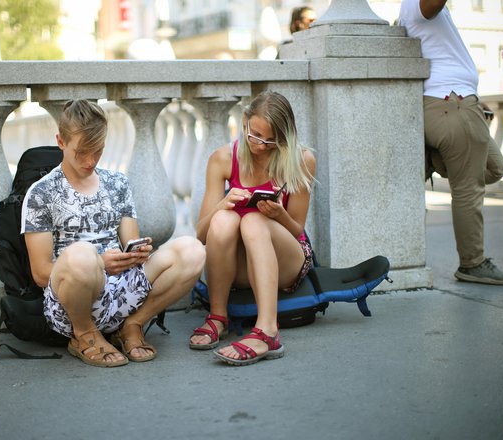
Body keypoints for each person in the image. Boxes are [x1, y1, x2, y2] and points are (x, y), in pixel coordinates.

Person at [22, 99, 206, 367]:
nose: (90, 160)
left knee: (193, 250)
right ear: (61, 142)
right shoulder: (41, 193)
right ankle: (84, 334)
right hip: (72, 300)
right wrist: (99, 263)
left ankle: (132, 325)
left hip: (121, 290)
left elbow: (130, 243)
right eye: (82, 151)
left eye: (98, 150)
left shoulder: (117, 183)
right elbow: (40, 274)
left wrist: (138, 253)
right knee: (82, 256)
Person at [189, 91, 316, 366]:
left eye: (271, 141)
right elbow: (201, 235)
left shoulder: (301, 159)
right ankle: (217, 316)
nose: (260, 146)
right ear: (245, 121)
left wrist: (279, 214)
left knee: (254, 221)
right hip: (238, 266)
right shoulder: (222, 158)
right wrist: (223, 203)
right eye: (255, 135)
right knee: (224, 220)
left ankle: (268, 331)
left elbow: (297, 232)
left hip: (287, 262)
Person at [399, 0, 503, 285]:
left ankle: (437, 160)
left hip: (459, 103)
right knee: (468, 189)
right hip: (451, 104)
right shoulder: (418, 4)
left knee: (495, 168)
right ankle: (472, 263)